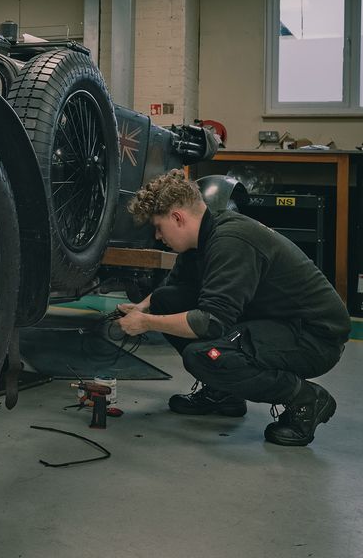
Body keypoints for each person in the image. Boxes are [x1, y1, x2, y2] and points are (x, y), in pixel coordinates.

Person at [116, 170, 349, 446]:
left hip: (313, 337)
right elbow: (169, 291)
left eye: (158, 227)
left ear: (177, 218)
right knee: (165, 299)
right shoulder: (201, 241)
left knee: (204, 356)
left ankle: (306, 399)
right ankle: (224, 392)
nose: (158, 236)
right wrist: (142, 308)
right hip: (275, 321)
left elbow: (209, 322)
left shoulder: (230, 241)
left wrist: (146, 323)